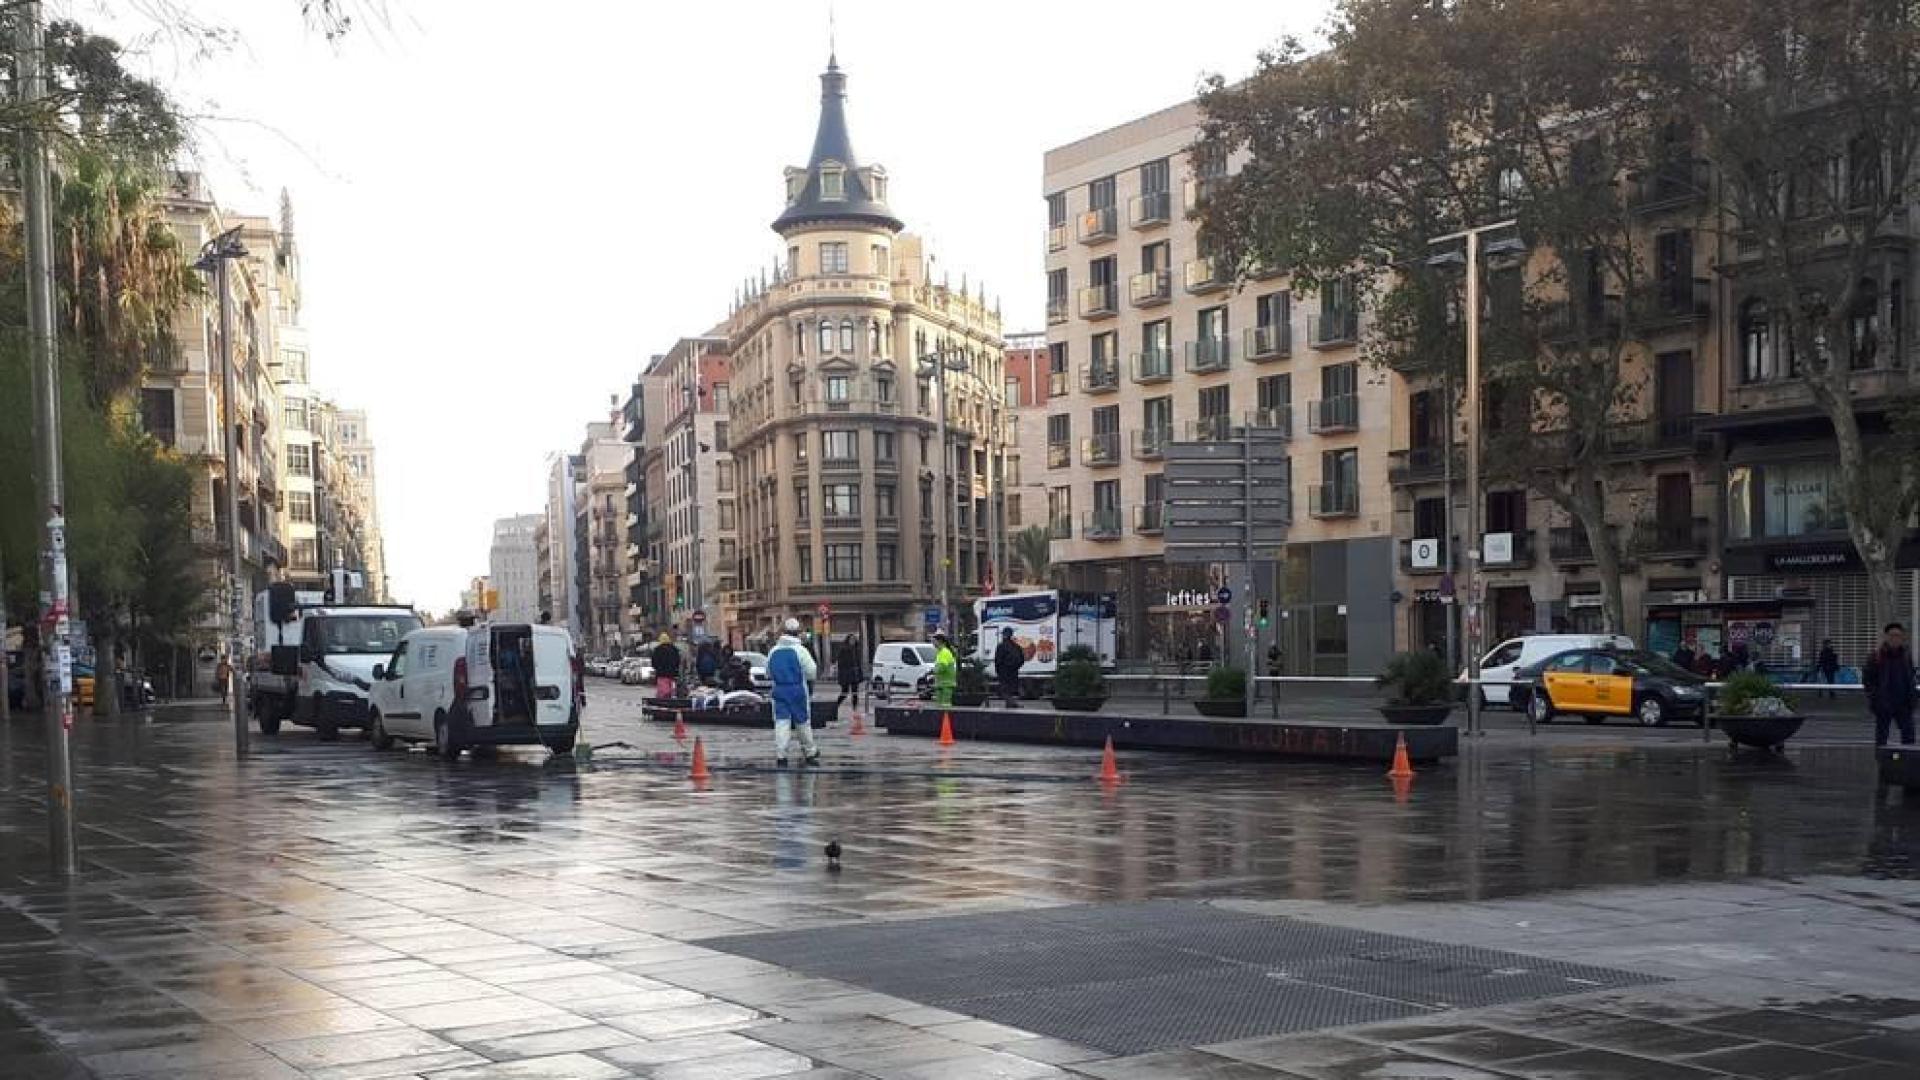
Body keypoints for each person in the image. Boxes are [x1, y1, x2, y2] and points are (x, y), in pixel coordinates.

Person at [767, 618, 820, 766]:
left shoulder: (774, 651)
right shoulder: (800, 650)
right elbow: (812, 671)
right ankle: (810, 751)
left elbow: (768, 672)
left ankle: (781, 754)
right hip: (797, 689)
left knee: (781, 722)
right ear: (797, 633)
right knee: (802, 721)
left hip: (779, 690)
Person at [1863, 622, 1917, 747]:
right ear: (1886, 637)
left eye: (1898, 636)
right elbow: (1867, 680)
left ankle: (1908, 764)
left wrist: (1913, 698)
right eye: (1892, 635)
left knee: (1909, 736)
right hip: (1883, 703)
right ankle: (1881, 763)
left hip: (1904, 703)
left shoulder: (1906, 656)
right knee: (1882, 738)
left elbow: (1911, 678)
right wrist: (1875, 697)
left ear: (1902, 638)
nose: (1895, 639)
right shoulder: (1876, 656)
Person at [993, 628, 1026, 708]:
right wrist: (1016, 667)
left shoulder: (1001, 646)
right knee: (1010, 689)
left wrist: (998, 671)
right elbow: (1022, 659)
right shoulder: (1016, 646)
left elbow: (997, 660)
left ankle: (1011, 703)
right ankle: (1010, 703)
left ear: (1004, 635)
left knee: (1004, 689)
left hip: (1003, 672)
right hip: (1014, 672)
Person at [834, 635, 864, 708]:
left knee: (855, 692)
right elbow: (840, 662)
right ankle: (835, 705)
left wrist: (860, 673)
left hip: (855, 674)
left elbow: (858, 663)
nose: (853, 641)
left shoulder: (857, 649)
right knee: (845, 691)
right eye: (851, 639)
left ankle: (855, 708)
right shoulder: (844, 649)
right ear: (848, 640)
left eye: (854, 639)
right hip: (846, 674)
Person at [650, 633, 682, 699]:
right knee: (671, 689)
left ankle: (662, 701)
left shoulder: (657, 650)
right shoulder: (674, 649)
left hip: (662, 674)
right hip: (673, 674)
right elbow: (678, 661)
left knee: (663, 691)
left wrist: (657, 668)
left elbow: (654, 663)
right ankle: (671, 699)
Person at [930, 632, 958, 707]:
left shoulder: (944, 652)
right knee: (941, 705)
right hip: (943, 683)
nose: (933, 644)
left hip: (945, 684)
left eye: (934, 641)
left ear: (939, 641)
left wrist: (933, 671)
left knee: (944, 706)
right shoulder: (941, 652)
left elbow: (942, 667)